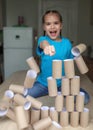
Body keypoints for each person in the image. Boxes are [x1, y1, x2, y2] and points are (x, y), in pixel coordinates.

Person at [26, 10, 90, 104]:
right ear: (44, 27)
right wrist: (46, 47)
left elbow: (71, 60)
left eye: (56, 23)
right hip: (43, 84)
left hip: (62, 84)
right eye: (48, 24)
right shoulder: (43, 40)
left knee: (85, 98)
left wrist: (77, 53)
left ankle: (59, 92)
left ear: (61, 25)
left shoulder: (67, 43)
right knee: (24, 94)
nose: (52, 26)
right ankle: (50, 91)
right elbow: (43, 44)